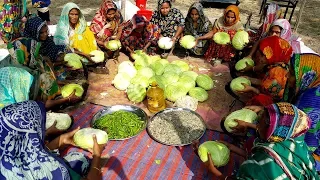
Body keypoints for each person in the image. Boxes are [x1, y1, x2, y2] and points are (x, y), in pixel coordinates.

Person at [196, 102, 319, 179]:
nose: (256, 125)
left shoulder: (261, 167)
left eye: (260, 123)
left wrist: (214, 171)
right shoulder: (295, 142)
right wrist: (231, 147)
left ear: (275, 131)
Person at [0, 100, 105, 179]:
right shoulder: (48, 172)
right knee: (80, 160)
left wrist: (61, 140)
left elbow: (31, 154)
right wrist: (97, 157)